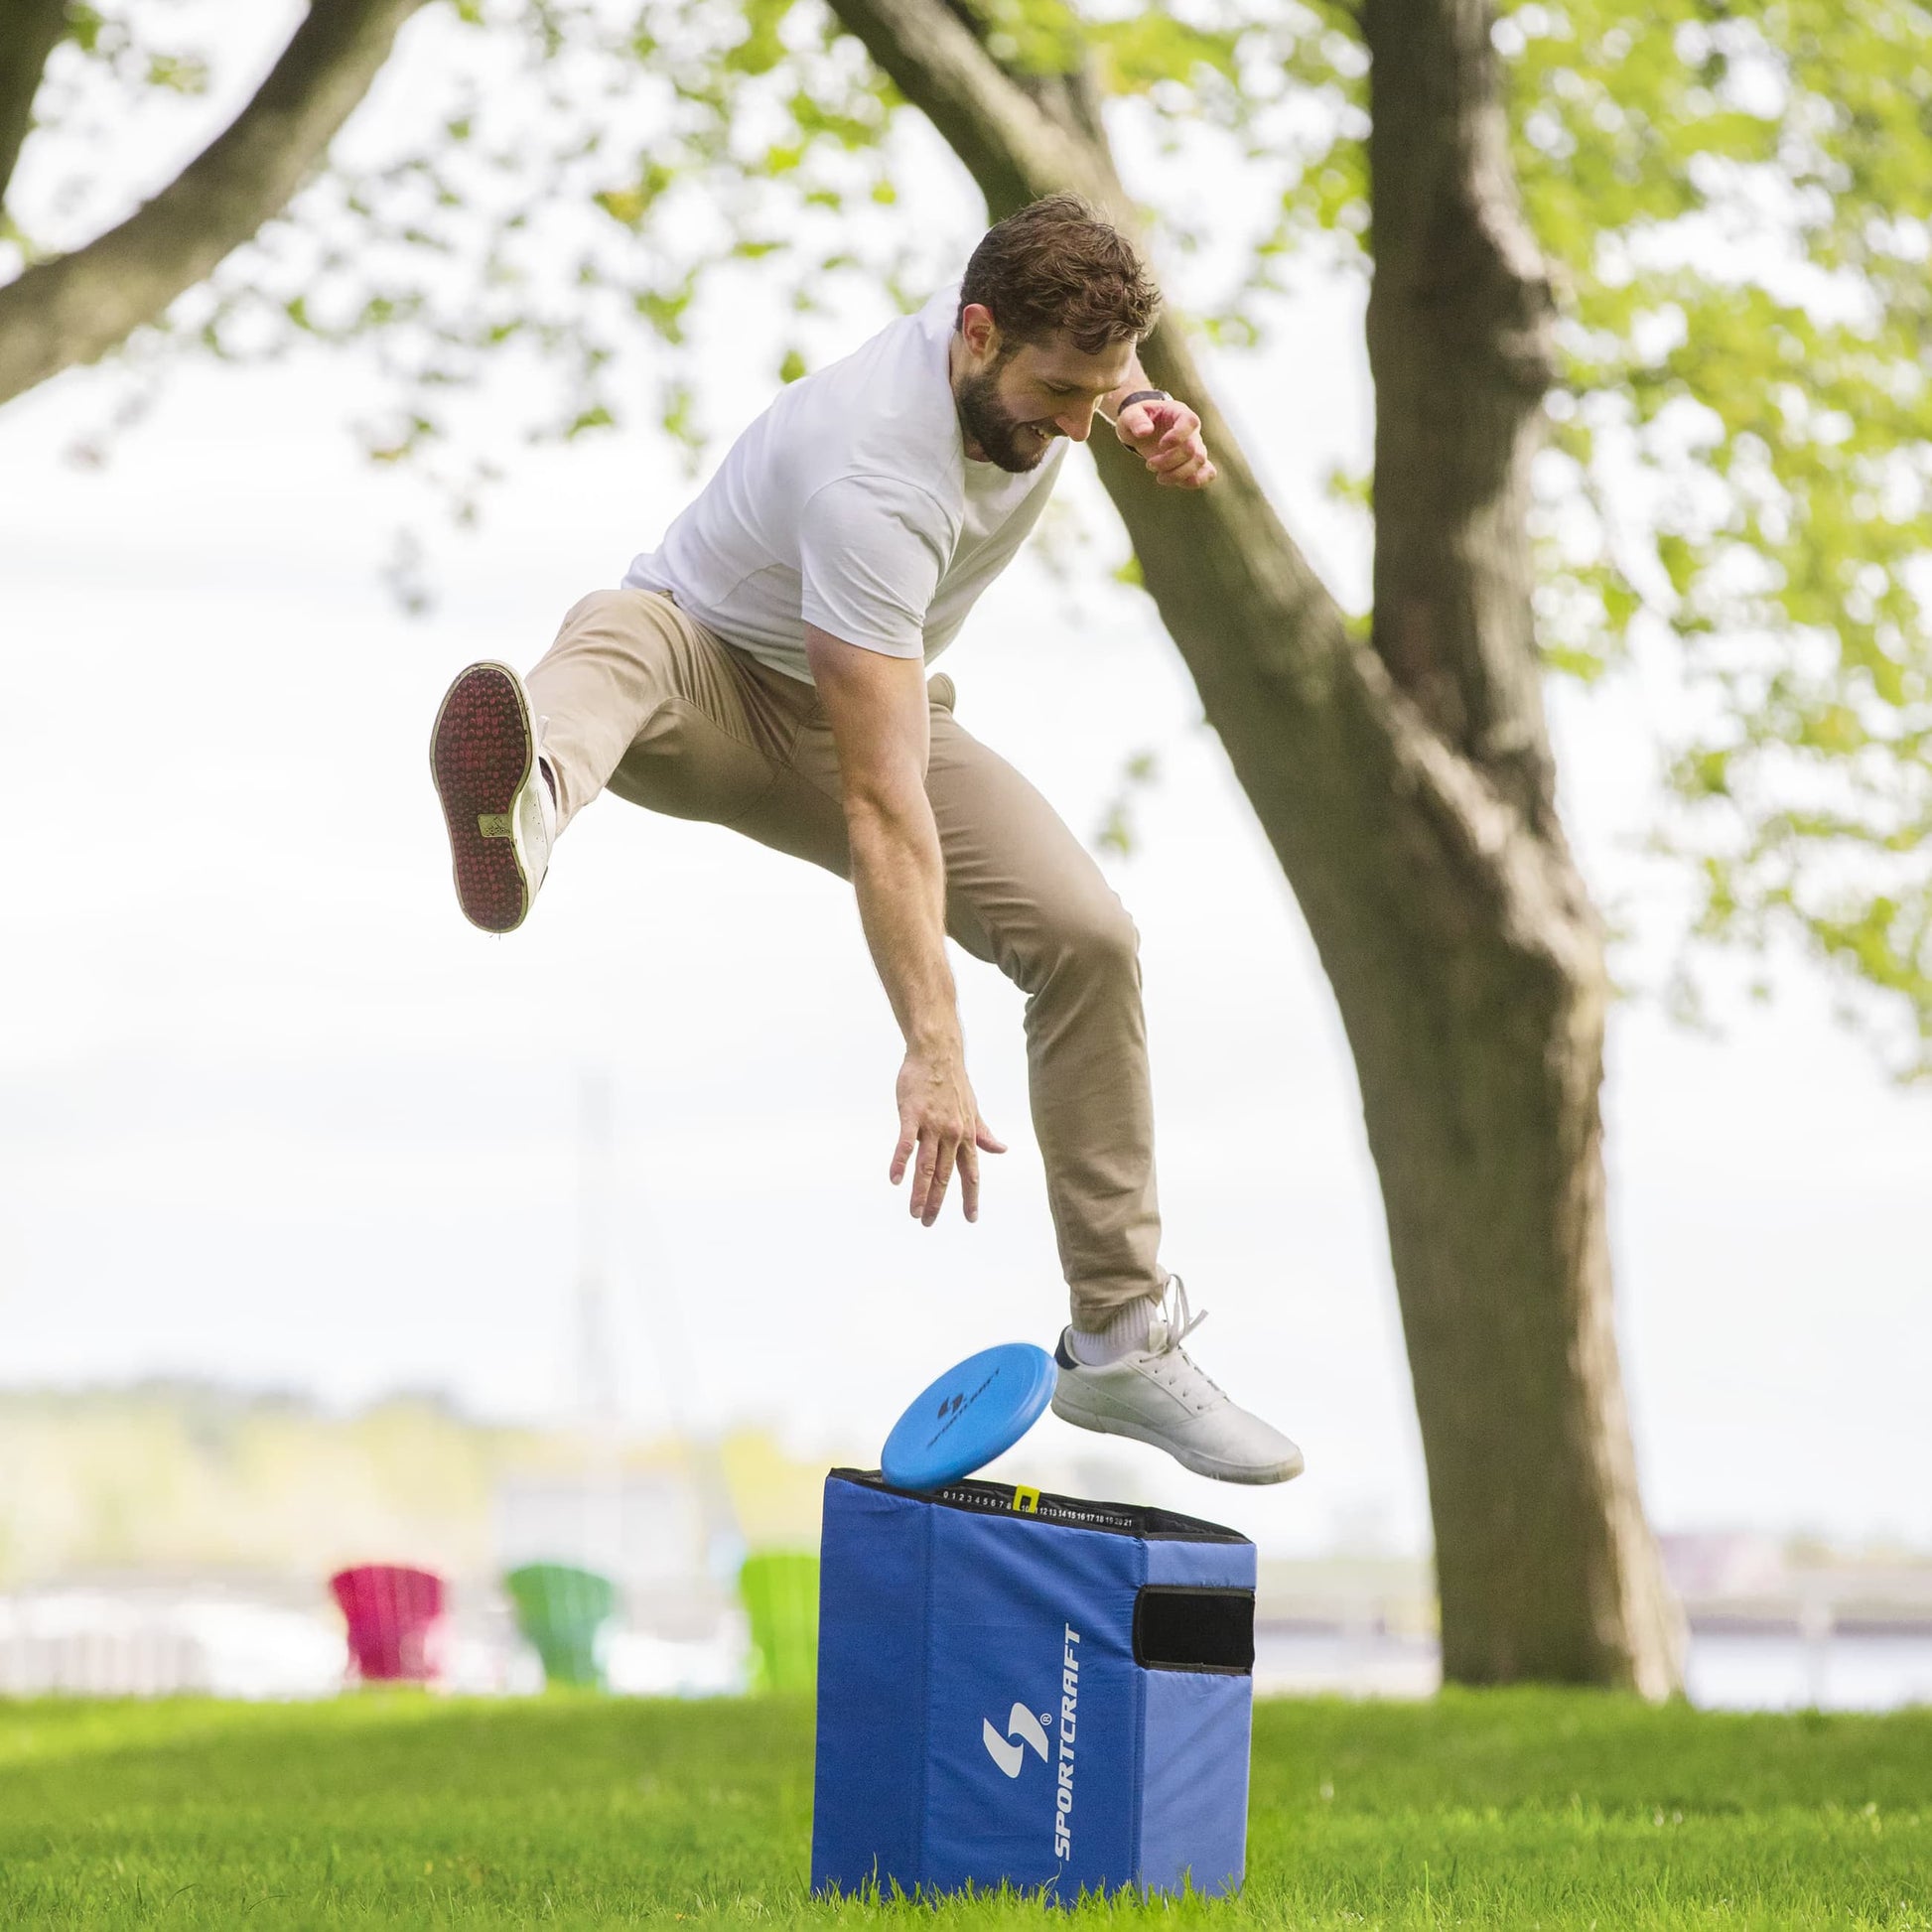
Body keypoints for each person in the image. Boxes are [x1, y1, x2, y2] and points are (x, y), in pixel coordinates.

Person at [429, 195, 1302, 1485]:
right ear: (973, 332)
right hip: (708, 689)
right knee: (617, 631)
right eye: (1060, 393)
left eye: (1095, 395)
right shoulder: (869, 477)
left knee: (1089, 938)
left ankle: (1117, 1340)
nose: (1072, 424)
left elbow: (1089, 375)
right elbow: (883, 806)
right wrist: (932, 1046)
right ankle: (531, 802)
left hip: (876, 706)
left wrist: (1142, 412)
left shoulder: (1053, 370)